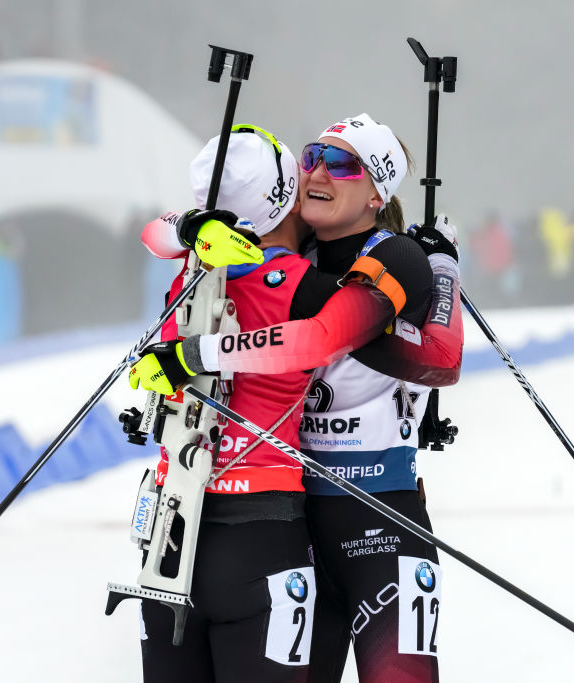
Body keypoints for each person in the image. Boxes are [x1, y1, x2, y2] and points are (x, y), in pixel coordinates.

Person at [133, 114, 463, 682]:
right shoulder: (290, 248)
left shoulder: (396, 256)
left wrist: (443, 270)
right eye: (311, 157)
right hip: (299, 521)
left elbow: (440, 359)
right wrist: (193, 226)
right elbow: (161, 231)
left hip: (377, 514)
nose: (317, 172)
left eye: (340, 164)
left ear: (376, 192)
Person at [134, 126, 318, 683]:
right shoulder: (307, 287)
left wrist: (192, 229)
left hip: (169, 536)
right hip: (263, 535)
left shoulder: (186, 275)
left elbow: (157, 231)